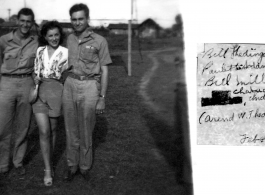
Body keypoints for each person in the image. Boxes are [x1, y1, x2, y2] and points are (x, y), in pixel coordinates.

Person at [63, 3, 112, 182]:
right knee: (70, 129)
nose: (77, 22)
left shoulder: (100, 40)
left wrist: (102, 97)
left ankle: (84, 166)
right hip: (70, 83)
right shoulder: (69, 39)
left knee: (86, 129)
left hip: (90, 85)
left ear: (87, 19)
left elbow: (105, 70)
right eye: (74, 19)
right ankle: (72, 165)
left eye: (80, 19)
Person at [0, 8, 38, 176]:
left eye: (28, 21)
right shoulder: (3, 40)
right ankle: (2, 164)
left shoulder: (36, 41)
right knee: (3, 127)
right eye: (22, 20)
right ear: (17, 21)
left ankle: (18, 161)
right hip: (6, 83)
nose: (25, 24)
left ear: (32, 23)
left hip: (26, 83)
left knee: (23, 126)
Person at [32, 20, 68, 186]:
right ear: (45, 37)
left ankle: (51, 162)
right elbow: (35, 71)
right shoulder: (40, 50)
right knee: (44, 131)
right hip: (40, 91)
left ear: (60, 36)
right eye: (50, 35)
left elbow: (72, 71)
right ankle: (48, 169)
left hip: (56, 92)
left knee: (53, 131)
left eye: (56, 35)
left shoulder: (66, 52)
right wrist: (35, 77)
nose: (54, 38)